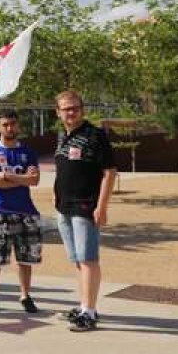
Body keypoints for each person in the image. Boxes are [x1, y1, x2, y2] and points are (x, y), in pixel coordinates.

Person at [52, 90, 116, 332]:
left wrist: (102, 206)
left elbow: (109, 172)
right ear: (58, 113)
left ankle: (89, 312)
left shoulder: (95, 135)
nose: (71, 112)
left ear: (82, 108)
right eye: (66, 109)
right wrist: (56, 194)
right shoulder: (63, 136)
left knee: (89, 260)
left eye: (75, 107)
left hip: (85, 207)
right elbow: (64, 169)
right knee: (78, 261)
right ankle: (83, 306)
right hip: (64, 209)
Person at [0, 110, 42, 314]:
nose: (9, 128)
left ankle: (25, 296)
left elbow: (34, 180)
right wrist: (20, 177)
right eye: (5, 124)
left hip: (25, 211)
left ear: (18, 126)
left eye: (13, 124)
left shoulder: (28, 151)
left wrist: (7, 176)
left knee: (25, 258)